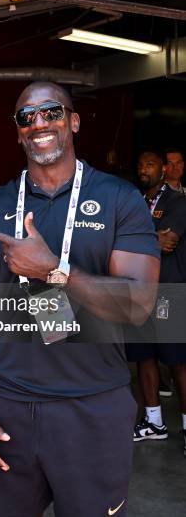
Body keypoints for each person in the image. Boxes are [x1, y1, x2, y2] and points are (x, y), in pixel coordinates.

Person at [0, 82, 160, 517]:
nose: (39, 123)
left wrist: (54, 271)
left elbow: (139, 304)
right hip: (4, 407)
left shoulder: (119, 200)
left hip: (92, 407)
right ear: (17, 133)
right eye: (26, 118)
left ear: (73, 120)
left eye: (51, 112)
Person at [126, 151, 186, 455]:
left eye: (148, 163)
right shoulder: (134, 200)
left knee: (177, 362)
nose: (142, 168)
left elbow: (169, 242)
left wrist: (133, 238)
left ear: (163, 170)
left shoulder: (177, 201)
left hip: (169, 292)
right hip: (139, 291)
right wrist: (149, 236)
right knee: (143, 357)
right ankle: (153, 422)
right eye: (140, 164)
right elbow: (121, 236)